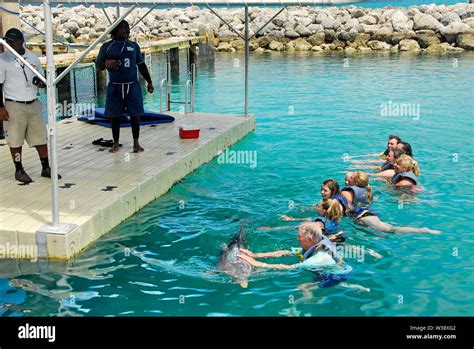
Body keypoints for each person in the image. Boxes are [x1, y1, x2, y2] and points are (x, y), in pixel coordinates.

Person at [0, 28, 60, 184]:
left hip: (33, 103)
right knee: (15, 139)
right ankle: (18, 169)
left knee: (40, 137)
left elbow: (43, 80)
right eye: (7, 41)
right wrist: (1, 107)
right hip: (14, 105)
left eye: (12, 41)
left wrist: (40, 83)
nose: (8, 44)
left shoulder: (32, 58)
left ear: (21, 42)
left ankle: (45, 167)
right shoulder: (2, 60)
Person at [96, 20, 154, 153]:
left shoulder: (134, 46)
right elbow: (98, 65)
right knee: (114, 115)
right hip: (115, 86)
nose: (124, 30)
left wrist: (149, 82)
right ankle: (115, 143)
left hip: (132, 85)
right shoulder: (107, 47)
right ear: (114, 30)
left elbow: (141, 65)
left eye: (126, 28)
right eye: (121, 28)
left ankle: (136, 143)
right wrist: (106, 64)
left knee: (135, 115)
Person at [238, 223, 350, 290]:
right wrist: (256, 255)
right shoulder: (315, 244)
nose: (297, 239)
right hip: (327, 269)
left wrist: (258, 263)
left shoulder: (317, 259)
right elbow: (286, 252)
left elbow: (288, 267)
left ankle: (349, 286)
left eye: (299, 236)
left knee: (301, 288)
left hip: (335, 276)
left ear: (309, 240)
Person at [342, 171, 440, 234]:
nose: (346, 181)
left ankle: (421, 230)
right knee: (382, 231)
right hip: (368, 215)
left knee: (390, 229)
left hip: (364, 217)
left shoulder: (349, 192)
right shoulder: (367, 190)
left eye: (348, 179)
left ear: (355, 182)